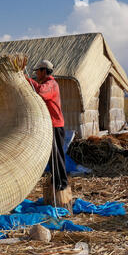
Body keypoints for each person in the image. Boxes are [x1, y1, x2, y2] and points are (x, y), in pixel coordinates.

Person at [25, 60, 72, 207]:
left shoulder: (51, 84)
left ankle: (62, 184)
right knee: (52, 155)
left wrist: (25, 79)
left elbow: (40, 91)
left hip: (55, 125)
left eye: (38, 71)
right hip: (50, 125)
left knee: (57, 155)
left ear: (44, 71)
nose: (37, 74)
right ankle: (56, 181)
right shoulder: (47, 83)